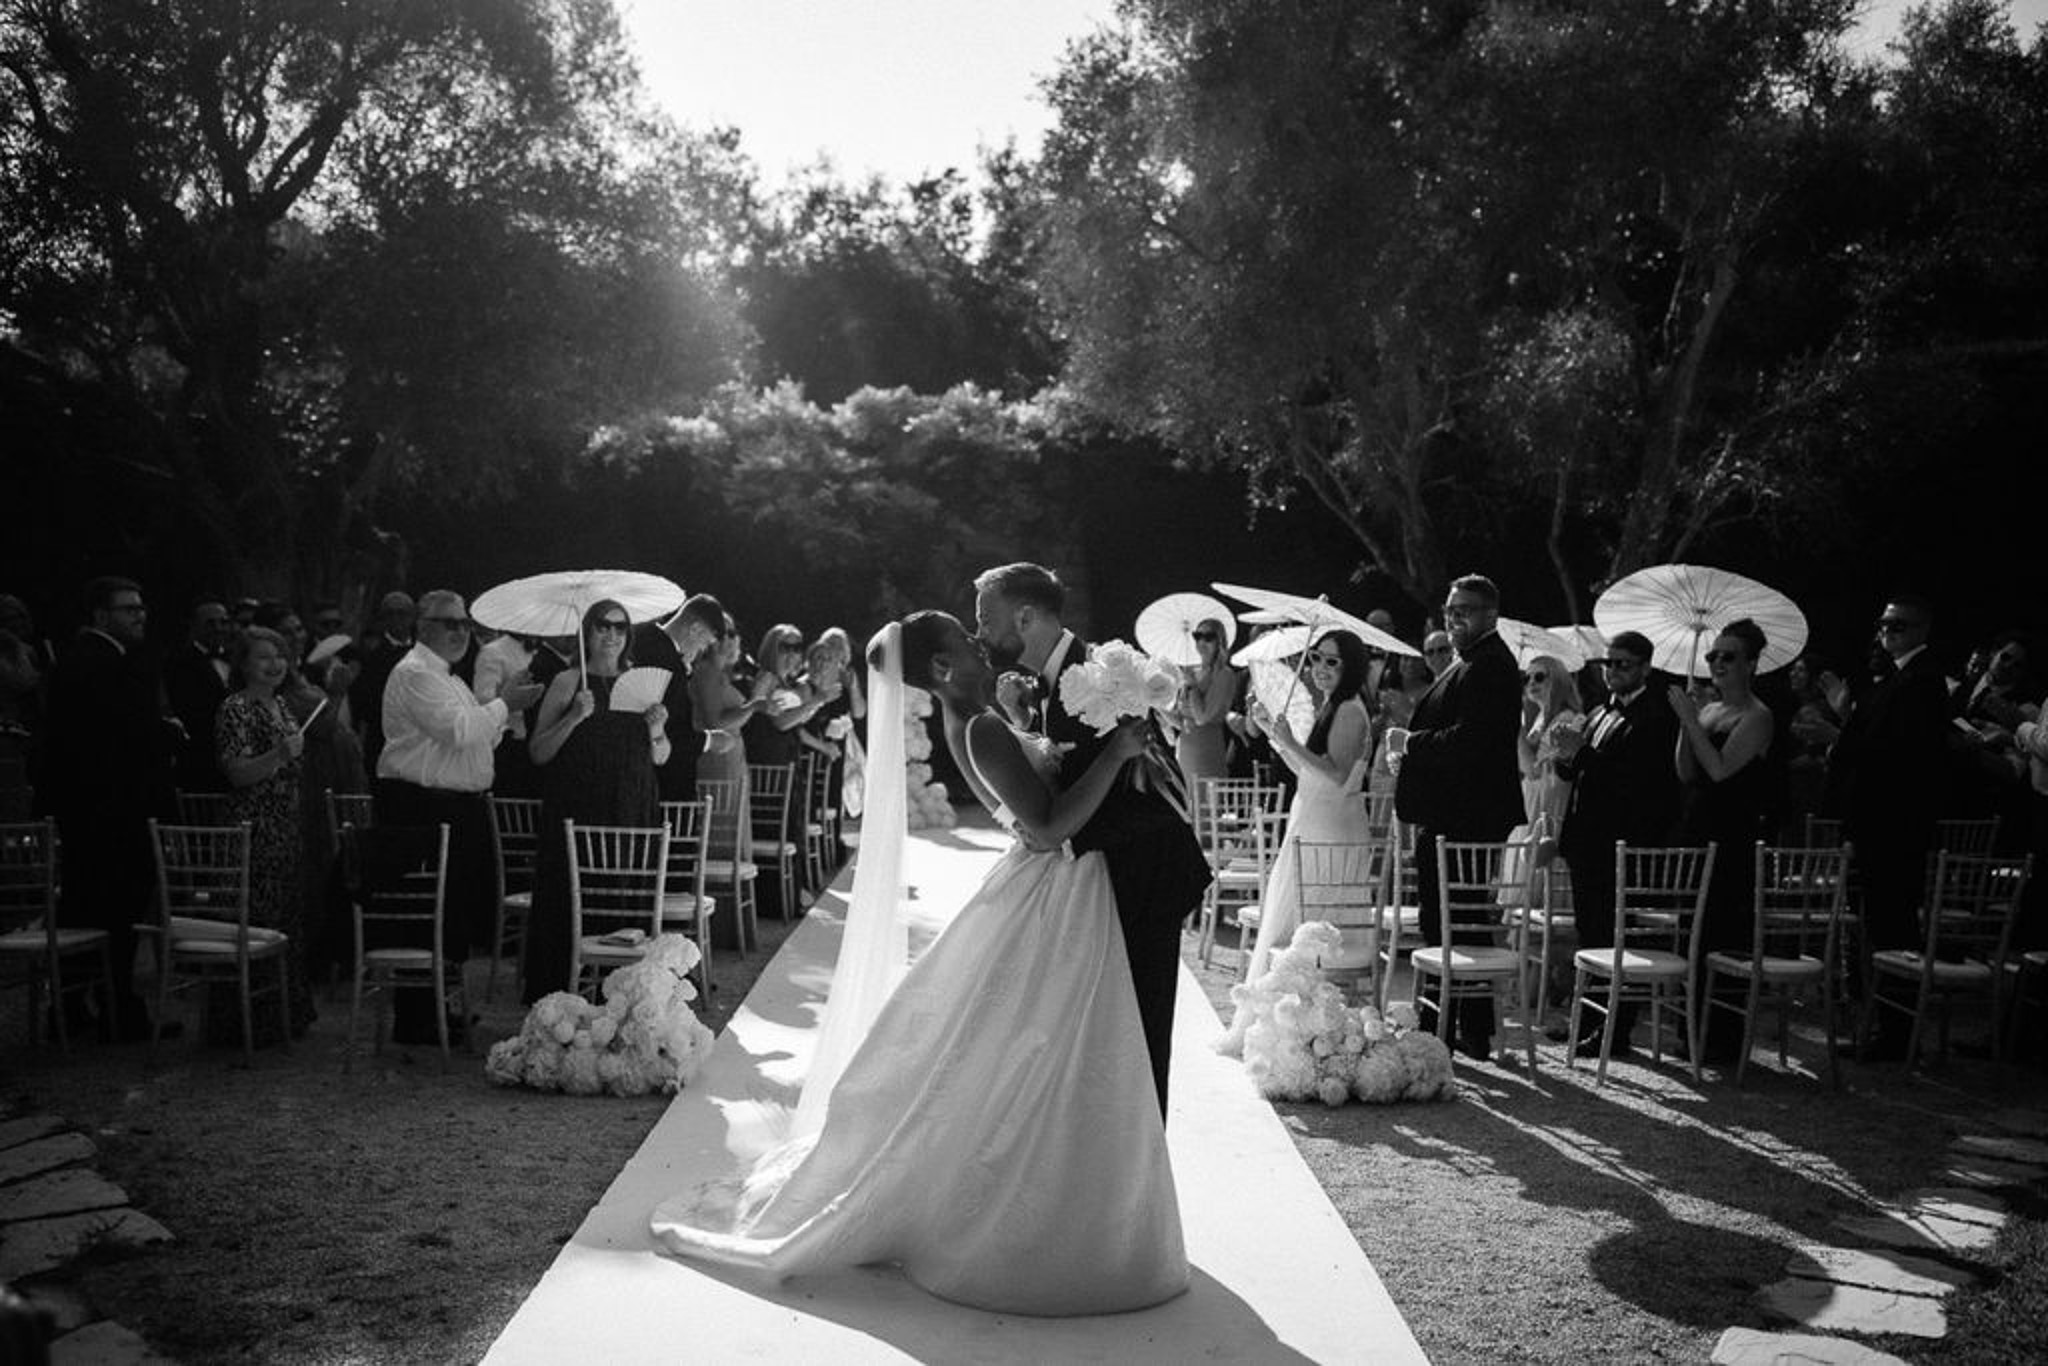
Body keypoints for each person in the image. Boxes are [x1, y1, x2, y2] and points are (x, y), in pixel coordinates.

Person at [650, 613, 1187, 1315]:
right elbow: (1049, 828)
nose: (979, 642)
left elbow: (1038, 789)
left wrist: (1035, 721)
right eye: (965, 641)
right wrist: (1115, 756)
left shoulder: (987, 718)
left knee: (1027, 1053)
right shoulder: (981, 729)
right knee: (1036, 1052)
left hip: (1058, 890)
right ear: (940, 669)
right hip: (1054, 888)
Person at [973, 562, 1211, 1116]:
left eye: (987, 618)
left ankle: (1142, 1168)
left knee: (1143, 1026)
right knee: (1113, 1030)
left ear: (1025, 615)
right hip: (1115, 868)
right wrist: (1030, 721)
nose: (980, 631)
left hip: (1145, 870)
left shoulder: (1101, 673)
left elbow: (1151, 785)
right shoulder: (1060, 684)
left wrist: (1059, 831)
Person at [374, 590, 542, 1029]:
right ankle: (417, 1016)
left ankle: (438, 1007)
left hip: (455, 807)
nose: (460, 632)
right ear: (421, 625)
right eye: (449, 623)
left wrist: (502, 706)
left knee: (453, 910)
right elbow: (458, 730)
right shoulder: (415, 673)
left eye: (465, 624)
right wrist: (506, 703)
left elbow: (482, 735)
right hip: (421, 806)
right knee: (427, 909)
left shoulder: (451, 677)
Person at [1386, 574, 1523, 1062]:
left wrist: (1411, 743)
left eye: (1464, 610)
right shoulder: (1468, 662)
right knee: (1445, 921)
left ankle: (1459, 1027)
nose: (1454, 617)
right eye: (1449, 610)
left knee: (1459, 922)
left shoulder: (1492, 665)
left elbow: (1474, 741)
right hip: (1449, 812)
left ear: (1491, 615)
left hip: (1469, 815)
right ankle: (1450, 1024)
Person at [1218, 628, 1372, 1050]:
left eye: (1332, 661)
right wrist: (1271, 730)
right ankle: (1299, 1026)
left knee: (1318, 922)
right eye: (1317, 658)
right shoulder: (1332, 706)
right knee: (1297, 915)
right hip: (1313, 816)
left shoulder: (1351, 711)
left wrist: (1288, 741)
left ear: (1351, 666)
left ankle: (1322, 1027)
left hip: (1331, 829)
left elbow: (1337, 773)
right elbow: (1309, 770)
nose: (1321, 668)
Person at [40, 576, 179, 1040]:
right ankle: (117, 1009)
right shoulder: (106, 665)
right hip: (112, 813)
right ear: (101, 616)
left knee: (87, 906)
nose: (140, 615)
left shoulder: (84, 662)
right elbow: (123, 741)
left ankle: (78, 1004)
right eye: (128, 609)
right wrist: (163, 734)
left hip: (90, 811)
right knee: (113, 911)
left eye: (141, 608)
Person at [520, 600, 668, 1002]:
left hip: (631, 810)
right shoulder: (569, 682)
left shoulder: (640, 683)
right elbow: (538, 751)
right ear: (587, 631)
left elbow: (661, 757)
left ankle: (620, 997)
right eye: (603, 626)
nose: (612, 635)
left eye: (621, 628)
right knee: (573, 897)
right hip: (578, 807)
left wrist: (657, 730)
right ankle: (566, 993)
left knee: (624, 897)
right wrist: (573, 718)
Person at [1822, 595, 1950, 1058]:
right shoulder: (1894, 678)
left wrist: (1838, 736)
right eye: (1882, 624)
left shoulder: (1923, 682)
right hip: (1878, 825)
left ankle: (1896, 1034)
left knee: (1894, 930)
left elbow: (1894, 756)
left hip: (1895, 828)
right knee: (1879, 928)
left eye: (1897, 626)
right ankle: (1884, 1026)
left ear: (1922, 630)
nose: (1886, 632)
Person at [1553, 631, 1682, 1055]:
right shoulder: (1599, 712)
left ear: (1646, 667)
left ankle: (1615, 1029)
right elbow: (1578, 773)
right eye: (1608, 664)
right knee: (1588, 933)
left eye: (1623, 664)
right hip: (1586, 840)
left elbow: (1636, 783)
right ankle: (1585, 1017)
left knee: (1614, 935)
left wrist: (1583, 754)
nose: (1612, 672)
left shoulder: (1656, 717)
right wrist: (1565, 753)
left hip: (1621, 841)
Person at [1669, 618, 1777, 1061]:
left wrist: (1691, 721)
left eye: (1728, 656)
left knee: (1722, 931)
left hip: (1733, 837)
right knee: (1690, 931)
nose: (1716, 663)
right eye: (1712, 655)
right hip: (1697, 831)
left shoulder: (1758, 716)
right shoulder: (1710, 710)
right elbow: (1687, 771)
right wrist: (1687, 722)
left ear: (1751, 664)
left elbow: (1720, 770)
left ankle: (1723, 1039)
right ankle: (1690, 1032)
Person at [211, 625, 317, 1042]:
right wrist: (278, 754)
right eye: (263, 656)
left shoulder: (283, 706)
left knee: (286, 918)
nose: (275, 664)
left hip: (284, 825)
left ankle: (283, 1015)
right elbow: (236, 772)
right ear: (243, 663)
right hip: (252, 829)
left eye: (280, 655)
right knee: (254, 920)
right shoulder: (235, 708)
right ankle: (245, 1020)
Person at [631, 595, 724, 804]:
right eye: (704, 643)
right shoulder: (667, 661)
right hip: (662, 781)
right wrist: (709, 740)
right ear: (695, 629)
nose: (701, 651)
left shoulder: (644, 638)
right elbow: (673, 727)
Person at [164, 598, 234, 794]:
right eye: (210, 623)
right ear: (194, 626)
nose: (219, 628)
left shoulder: (236, 658)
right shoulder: (179, 662)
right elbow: (190, 713)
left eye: (223, 622)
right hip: (204, 759)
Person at [1519, 652, 1585, 857]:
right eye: (1526, 678)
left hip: (1548, 810)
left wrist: (1515, 729)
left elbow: (1534, 771)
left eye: (1539, 676)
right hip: (1533, 804)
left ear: (1557, 679)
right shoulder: (1540, 717)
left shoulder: (1565, 718)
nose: (1531, 682)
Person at [351, 590, 416, 774]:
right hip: (384, 739)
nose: (396, 618)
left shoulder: (425, 651)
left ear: (412, 617)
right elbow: (364, 704)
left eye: (401, 613)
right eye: (390, 613)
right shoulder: (370, 656)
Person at [1173, 617, 1239, 789]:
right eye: (1197, 636)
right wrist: (1154, 701)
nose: (1202, 641)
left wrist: (1192, 686)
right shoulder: (1192, 672)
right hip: (1185, 749)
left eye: (1208, 637)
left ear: (1220, 641)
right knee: (1191, 809)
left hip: (1206, 750)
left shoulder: (1224, 675)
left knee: (1207, 810)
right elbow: (1180, 721)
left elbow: (1202, 717)